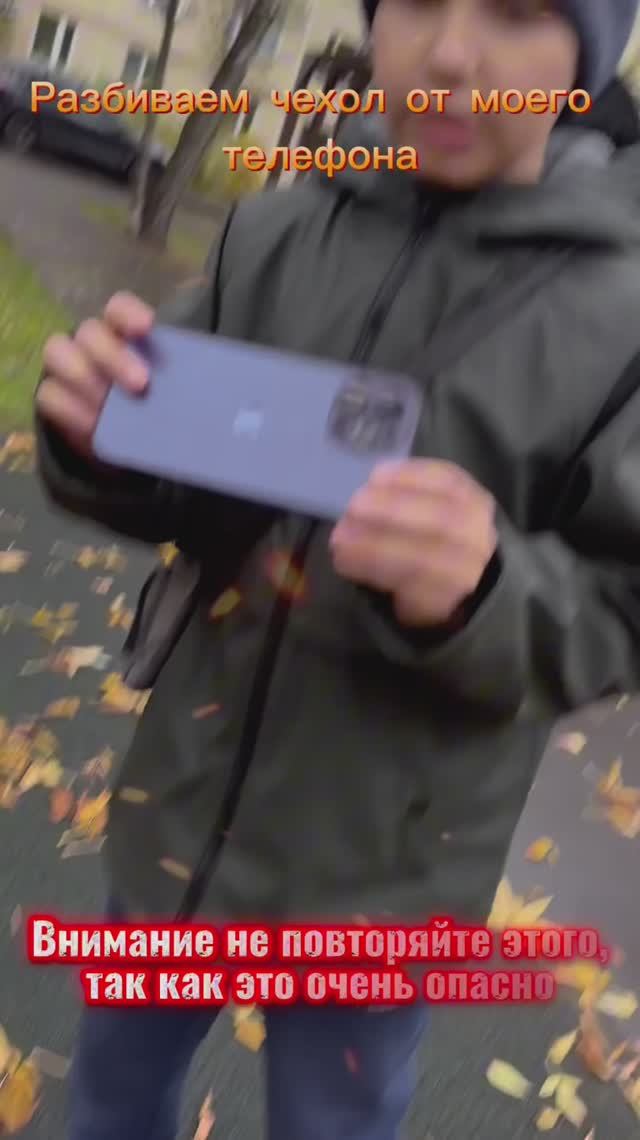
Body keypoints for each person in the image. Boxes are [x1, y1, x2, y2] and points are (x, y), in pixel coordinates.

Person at [34, 1, 640, 1138]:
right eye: (415, 2)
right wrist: (98, 438)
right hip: (185, 807)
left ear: (586, 56)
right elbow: (180, 484)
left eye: (516, 11)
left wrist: (482, 592)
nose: (450, 54)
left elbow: (622, 608)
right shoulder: (276, 227)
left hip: (388, 866)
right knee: (111, 1092)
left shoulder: (624, 308)